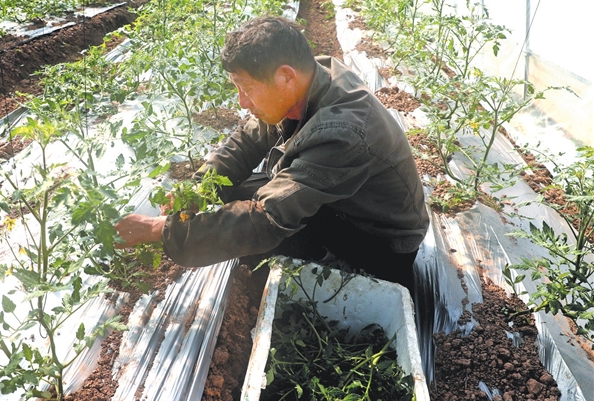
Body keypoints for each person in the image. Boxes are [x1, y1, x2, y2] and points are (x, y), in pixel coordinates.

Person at [115, 16, 430, 293]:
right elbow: (247, 139)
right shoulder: (308, 80)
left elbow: (267, 217)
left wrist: (163, 231)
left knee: (257, 234)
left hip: (379, 245)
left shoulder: (342, 131)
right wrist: (201, 189)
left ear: (286, 77)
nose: (241, 102)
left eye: (247, 88)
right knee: (235, 196)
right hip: (347, 207)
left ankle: (335, 268)